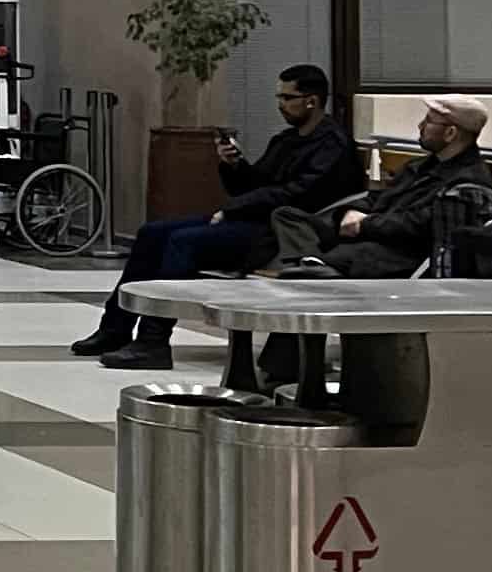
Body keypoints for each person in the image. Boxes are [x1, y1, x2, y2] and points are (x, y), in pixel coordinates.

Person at [75, 63, 357, 369]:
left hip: (283, 236)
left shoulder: (333, 145)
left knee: (184, 242)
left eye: (287, 98)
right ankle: (114, 328)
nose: (280, 105)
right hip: (254, 221)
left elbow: (297, 195)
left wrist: (232, 210)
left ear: (311, 101)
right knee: (152, 233)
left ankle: (152, 341)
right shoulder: (287, 141)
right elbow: (252, 185)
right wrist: (233, 165)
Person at [273, 93, 492, 278]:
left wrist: (365, 225)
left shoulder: (468, 182)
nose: (420, 125)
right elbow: (379, 196)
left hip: (394, 250)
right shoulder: (419, 165)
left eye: (429, 121)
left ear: (451, 133)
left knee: (305, 281)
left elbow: (420, 225)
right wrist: (357, 211)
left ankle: (310, 266)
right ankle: (311, 263)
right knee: (288, 217)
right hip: (368, 232)